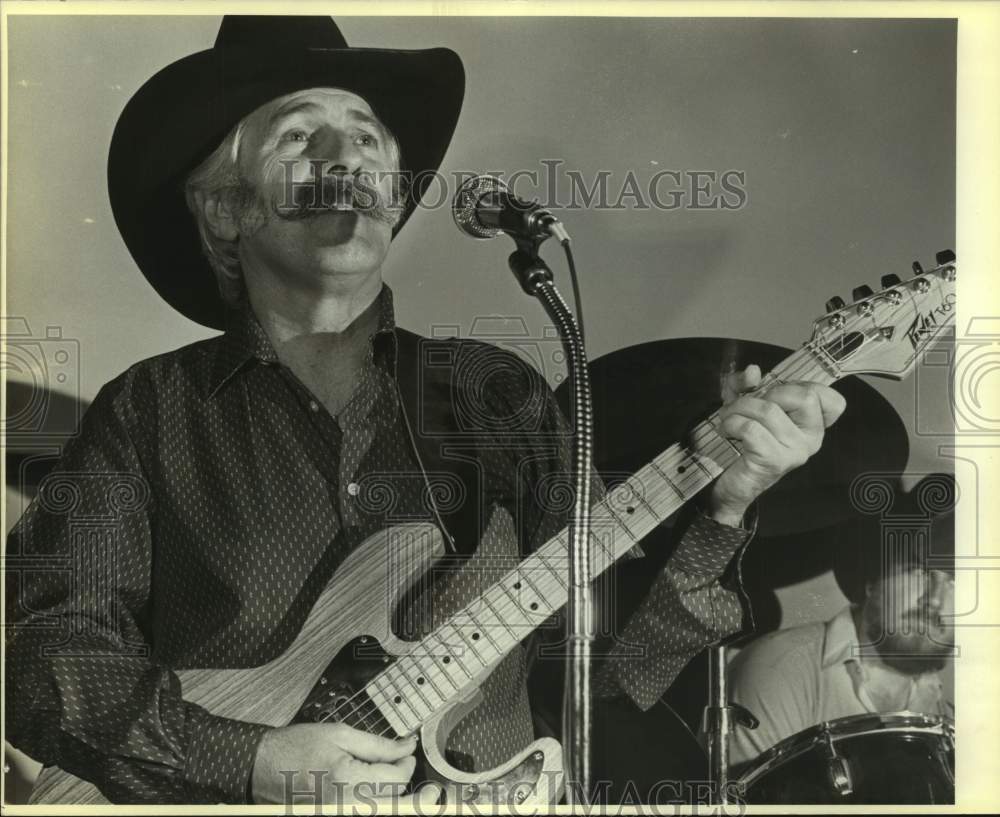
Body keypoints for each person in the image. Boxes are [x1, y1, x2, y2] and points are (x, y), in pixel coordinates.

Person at [4, 16, 846, 806]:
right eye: (301, 135)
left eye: (369, 138)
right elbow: (40, 657)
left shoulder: (496, 393)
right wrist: (250, 759)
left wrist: (726, 505)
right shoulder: (149, 412)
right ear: (226, 207)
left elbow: (618, 678)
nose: (351, 155)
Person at [726, 508, 955, 770]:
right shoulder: (778, 672)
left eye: (958, 583)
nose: (935, 600)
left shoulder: (949, 720)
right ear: (873, 578)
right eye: (920, 571)